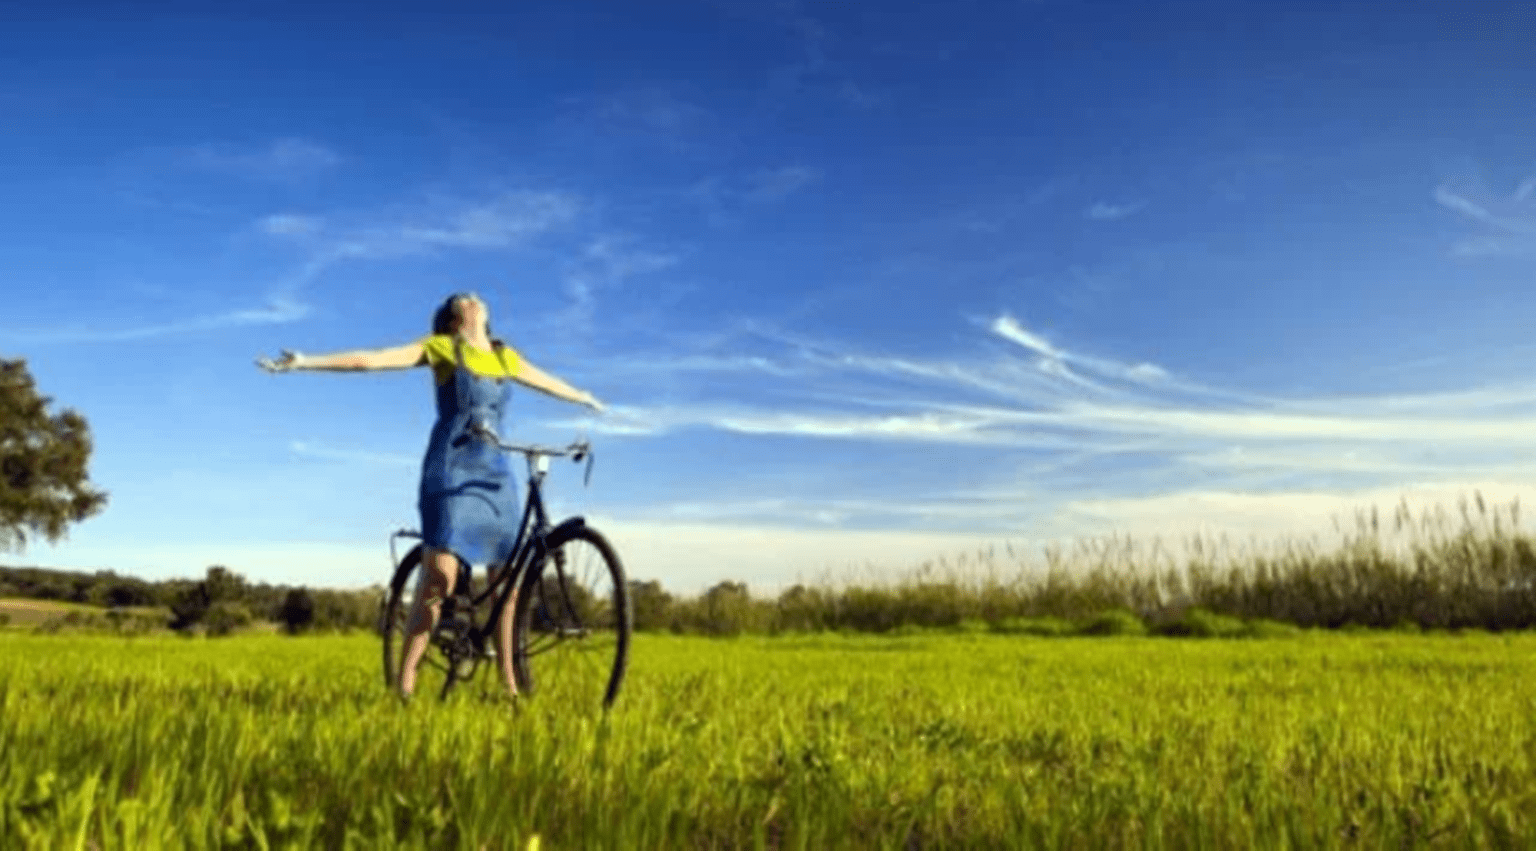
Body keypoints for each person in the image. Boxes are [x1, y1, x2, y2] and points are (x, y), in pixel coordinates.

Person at [257, 292, 603, 700]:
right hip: (452, 469)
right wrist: (304, 362)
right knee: (439, 577)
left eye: (476, 297)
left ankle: (510, 688)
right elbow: (370, 360)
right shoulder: (441, 348)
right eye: (464, 299)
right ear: (455, 319)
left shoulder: (504, 355)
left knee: (506, 589)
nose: (473, 299)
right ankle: (404, 687)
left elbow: (545, 380)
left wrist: (582, 396)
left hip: (496, 473)